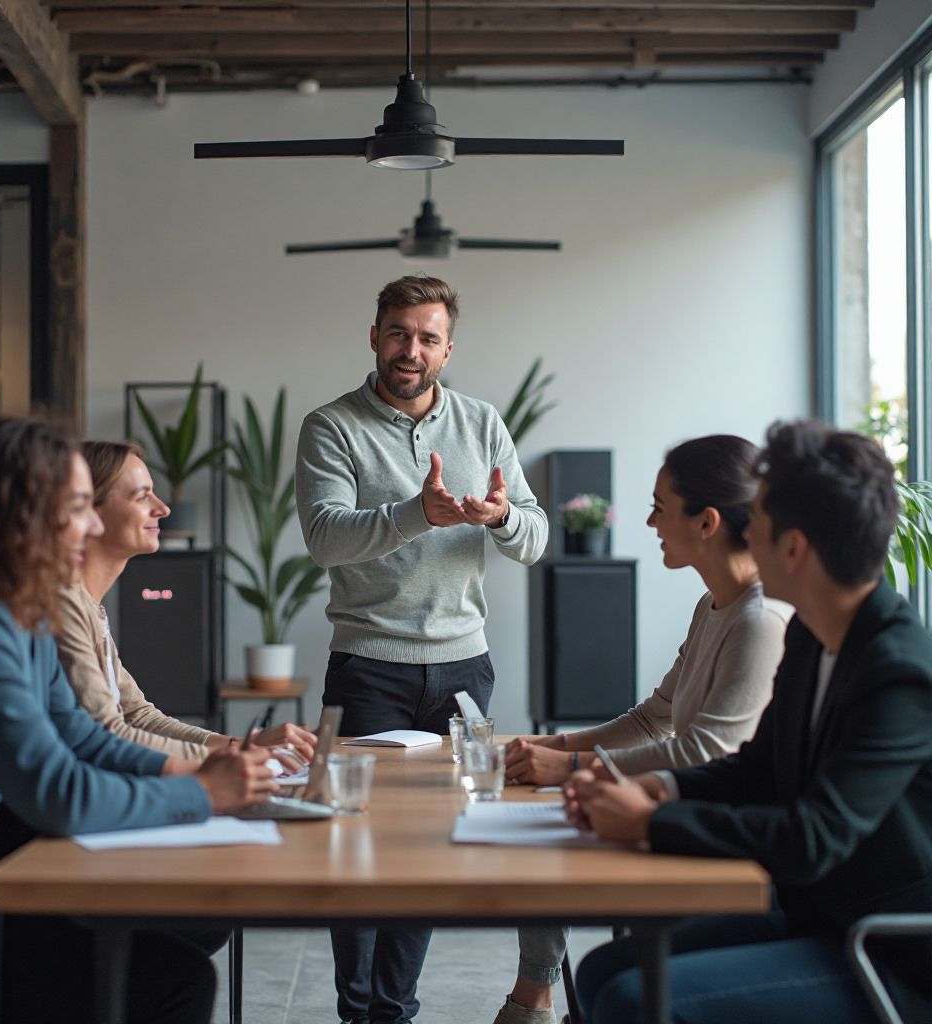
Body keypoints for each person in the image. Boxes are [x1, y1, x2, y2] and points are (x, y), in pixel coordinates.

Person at [0, 418, 278, 1024]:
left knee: (178, 958)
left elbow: (83, 735)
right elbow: (58, 791)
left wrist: (199, 767)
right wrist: (200, 793)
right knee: (175, 983)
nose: (93, 524)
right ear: (25, 511)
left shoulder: (15, 612)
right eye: (79, 506)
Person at [567, 419, 932, 1024]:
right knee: (602, 971)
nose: (742, 533)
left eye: (755, 522)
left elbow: (814, 837)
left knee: (634, 998)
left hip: (888, 952)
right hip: (819, 915)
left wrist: (655, 822)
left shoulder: (896, 670)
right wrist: (660, 786)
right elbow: (757, 767)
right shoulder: (817, 637)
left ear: (793, 549)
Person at [296, 274, 549, 1024]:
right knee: (356, 845)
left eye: (428, 337)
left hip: (464, 668)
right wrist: (415, 514)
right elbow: (325, 537)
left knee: (433, 847)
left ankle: (395, 1008)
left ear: (448, 348)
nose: (412, 350)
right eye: (399, 333)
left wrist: (501, 516)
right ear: (374, 336)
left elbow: (531, 539)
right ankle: (359, 1010)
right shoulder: (331, 425)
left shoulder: (482, 423)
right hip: (370, 664)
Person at [495, 435, 792, 1024]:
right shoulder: (714, 606)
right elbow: (654, 714)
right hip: (692, 819)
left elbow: (711, 749)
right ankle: (534, 999)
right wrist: (557, 746)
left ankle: (531, 1003)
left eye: (660, 505)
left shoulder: (760, 620)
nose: (650, 520)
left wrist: (574, 768)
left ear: (706, 522)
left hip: (735, 854)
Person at [54, 440, 316, 765]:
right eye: (141, 496)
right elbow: (110, 732)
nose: (162, 508)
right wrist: (232, 760)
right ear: (88, 510)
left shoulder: (90, 608)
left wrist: (242, 746)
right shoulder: (64, 605)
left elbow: (139, 716)